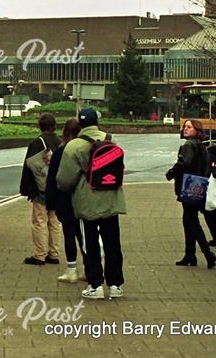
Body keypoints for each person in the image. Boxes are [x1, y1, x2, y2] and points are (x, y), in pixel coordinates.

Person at [57, 107, 126, 300]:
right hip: (111, 199)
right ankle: (115, 285)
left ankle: (95, 285)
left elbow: (64, 180)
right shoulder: (110, 139)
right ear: (97, 122)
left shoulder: (73, 146)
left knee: (91, 244)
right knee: (113, 242)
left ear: (80, 123)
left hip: (86, 203)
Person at [165, 119, 216, 268]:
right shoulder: (202, 146)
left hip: (188, 186)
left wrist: (171, 173)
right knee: (188, 220)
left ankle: (207, 254)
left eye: (189, 127)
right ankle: (190, 254)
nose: (185, 129)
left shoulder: (188, 145)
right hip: (199, 185)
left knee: (191, 221)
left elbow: (184, 163)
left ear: (196, 130)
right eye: (184, 127)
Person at [20, 113, 62, 266]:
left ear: (40, 125)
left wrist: (27, 189)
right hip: (56, 188)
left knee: (39, 221)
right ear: (54, 125)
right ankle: (54, 254)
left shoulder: (37, 142)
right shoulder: (60, 142)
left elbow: (29, 167)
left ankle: (39, 255)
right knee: (54, 221)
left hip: (40, 188)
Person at [46, 118, 84, 283]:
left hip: (64, 198)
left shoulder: (60, 152)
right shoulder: (85, 149)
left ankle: (71, 270)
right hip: (83, 198)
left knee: (69, 233)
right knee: (84, 235)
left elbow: (52, 179)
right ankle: (91, 268)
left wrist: (50, 203)